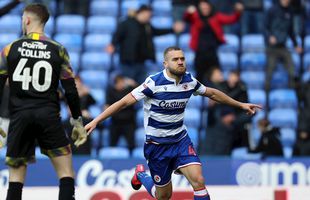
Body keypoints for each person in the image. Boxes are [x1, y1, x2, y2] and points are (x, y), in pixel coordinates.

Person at [85, 46, 261, 200]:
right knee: (163, 196)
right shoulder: (153, 83)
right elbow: (123, 103)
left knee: (199, 181)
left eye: (182, 58)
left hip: (180, 141)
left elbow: (212, 93)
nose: (180, 62)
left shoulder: (189, 81)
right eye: (175, 59)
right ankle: (140, 174)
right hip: (157, 146)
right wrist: (96, 120)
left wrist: (240, 105)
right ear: (165, 64)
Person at [0, 4, 87, 200]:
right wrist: (76, 120)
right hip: (48, 116)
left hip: (19, 117)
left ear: (27, 20)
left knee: (15, 177)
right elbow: (70, 90)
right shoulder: (59, 50)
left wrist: (0, 120)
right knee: (66, 173)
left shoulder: (9, 49)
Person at [106, 5, 183, 84]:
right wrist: (112, 44)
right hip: (127, 63)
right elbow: (117, 35)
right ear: (141, 13)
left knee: (141, 88)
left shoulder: (147, 26)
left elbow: (156, 32)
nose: (148, 17)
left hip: (141, 63)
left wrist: (172, 29)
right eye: (147, 15)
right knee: (128, 87)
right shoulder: (126, 23)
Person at [184, 0, 244, 83]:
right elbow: (186, 18)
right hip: (199, 53)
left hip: (212, 53)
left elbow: (232, 19)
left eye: (206, 6)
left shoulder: (216, 17)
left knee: (216, 78)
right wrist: (189, 11)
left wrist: (238, 12)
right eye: (202, 6)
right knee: (199, 79)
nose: (204, 8)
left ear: (210, 7)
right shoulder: (195, 17)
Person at [264, 0, 303, 113]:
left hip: (283, 46)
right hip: (272, 48)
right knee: (269, 72)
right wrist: (269, 37)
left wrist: (296, 44)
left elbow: (291, 30)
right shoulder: (272, 10)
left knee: (292, 69)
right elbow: (265, 27)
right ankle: (266, 98)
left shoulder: (290, 11)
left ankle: (293, 96)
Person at [105, 75, 137, 153]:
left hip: (129, 122)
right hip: (116, 121)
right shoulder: (111, 91)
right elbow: (107, 105)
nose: (121, 84)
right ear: (115, 84)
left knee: (131, 145)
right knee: (112, 144)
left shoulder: (129, 90)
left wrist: (133, 83)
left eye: (122, 82)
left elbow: (141, 90)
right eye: (119, 82)